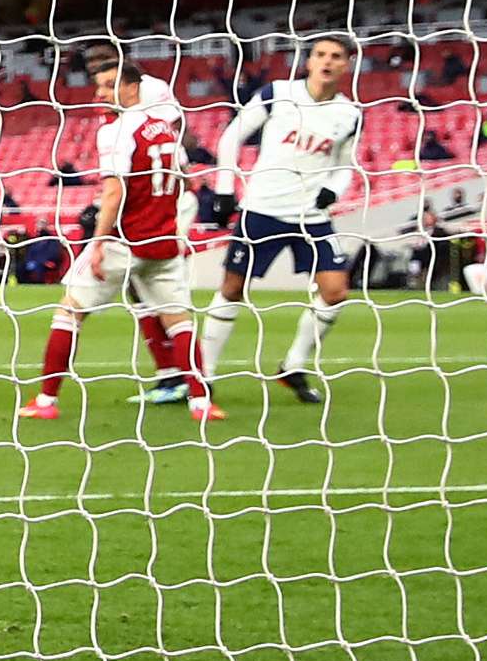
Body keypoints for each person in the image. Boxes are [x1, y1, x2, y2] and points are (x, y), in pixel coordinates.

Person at [21, 43, 215, 426]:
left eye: (109, 84)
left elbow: (114, 192)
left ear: (133, 85)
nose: (100, 93)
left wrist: (98, 241)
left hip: (126, 238)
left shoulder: (117, 130)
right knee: (180, 320)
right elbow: (181, 169)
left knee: (69, 311)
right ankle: (201, 401)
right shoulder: (165, 129)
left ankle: (46, 398)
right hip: (163, 238)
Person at [195, 31, 358, 408]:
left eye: (336, 55)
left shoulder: (349, 114)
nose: (327, 61)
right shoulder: (277, 93)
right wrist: (223, 188)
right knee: (232, 290)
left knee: (335, 292)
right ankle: (204, 374)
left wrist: (334, 189)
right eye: (321, 54)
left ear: (347, 64)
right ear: (309, 60)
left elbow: (346, 166)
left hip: (312, 218)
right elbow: (231, 136)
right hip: (262, 210)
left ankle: (293, 365)